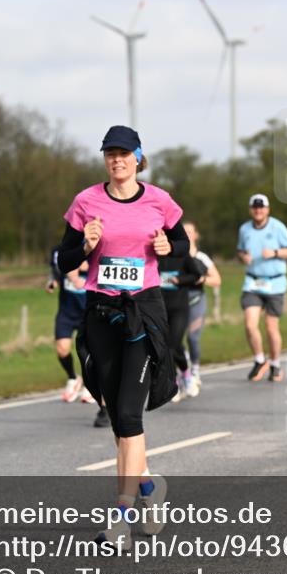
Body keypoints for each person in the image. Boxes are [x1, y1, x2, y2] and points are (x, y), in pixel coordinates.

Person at [56, 125, 186, 544]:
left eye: (124, 153)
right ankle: (148, 486)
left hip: (143, 312)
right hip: (100, 313)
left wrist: (169, 249)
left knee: (130, 415)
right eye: (110, 153)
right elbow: (64, 260)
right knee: (118, 416)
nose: (117, 160)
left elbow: (181, 244)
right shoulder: (86, 201)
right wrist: (86, 248)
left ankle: (120, 517)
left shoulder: (158, 200)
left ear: (138, 157)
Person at [237, 194, 287, 382]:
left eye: (261, 207)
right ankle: (259, 359)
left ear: (267, 209)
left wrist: (275, 252)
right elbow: (240, 249)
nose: (258, 210)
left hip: (275, 282)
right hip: (253, 282)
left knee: (271, 328)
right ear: (250, 209)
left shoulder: (277, 227)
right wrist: (243, 257)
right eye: (255, 207)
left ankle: (276, 364)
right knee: (250, 324)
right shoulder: (245, 229)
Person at [158, 242, 208, 401]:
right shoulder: (153, 256)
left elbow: (196, 276)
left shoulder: (182, 256)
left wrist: (179, 279)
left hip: (179, 308)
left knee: (172, 345)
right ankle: (180, 378)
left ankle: (183, 378)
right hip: (159, 309)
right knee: (170, 346)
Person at [47, 246, 96, 405]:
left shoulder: (97, 247)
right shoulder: (59, 251)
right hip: (67, 311)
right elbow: (55, 271)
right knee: (62, 349)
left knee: (88, 351)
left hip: (88, 310)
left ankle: (91, 385)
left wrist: (88, 265)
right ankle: (73, 378)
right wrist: (52, 282)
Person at [184, 221, 221, 392]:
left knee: (192, 337)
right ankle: (183, 369)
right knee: (174, 339)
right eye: (184, 231)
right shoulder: (174, 256)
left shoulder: (201, 258)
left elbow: (217, 280)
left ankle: (196, 370)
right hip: (177, 302)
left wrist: (202, 279)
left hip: (196, 301)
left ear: (196, 235)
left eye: (190, 231)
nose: (187, 234)